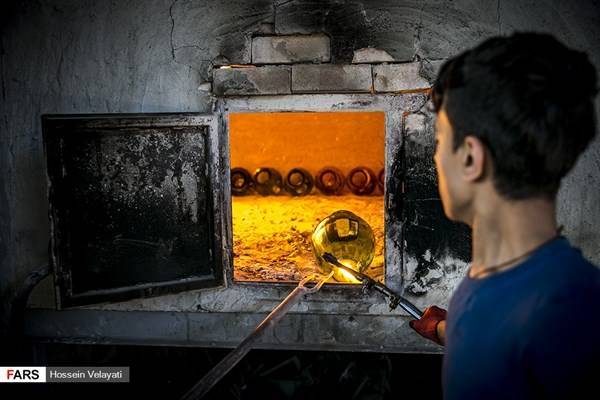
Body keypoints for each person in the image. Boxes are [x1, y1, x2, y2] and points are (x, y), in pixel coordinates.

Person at [408, 32, 600, 399]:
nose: (435, 159)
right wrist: (447, 330)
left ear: (469, 158)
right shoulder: (499, 276)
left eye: (438, 142)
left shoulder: (574, 315)